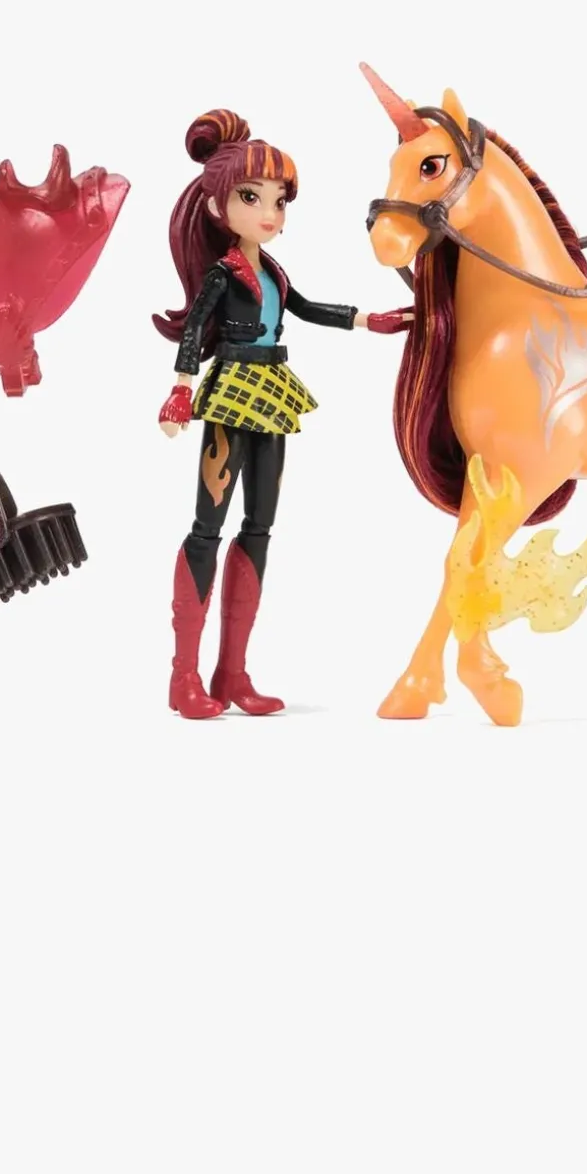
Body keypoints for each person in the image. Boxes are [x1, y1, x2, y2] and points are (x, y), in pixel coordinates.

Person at [153, 108, 410, 719]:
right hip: (230, 390)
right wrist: (181, 389)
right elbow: (193, 330)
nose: (269, 212)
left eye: (278, 200)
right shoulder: (224, 273)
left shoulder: (273, 271)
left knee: (260, 526)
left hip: (272, 391)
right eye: (252, 197)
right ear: (217, 205)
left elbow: (308, 308)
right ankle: (183, 676)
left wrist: (366, 320)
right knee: (207, 528)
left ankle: (232, 672)